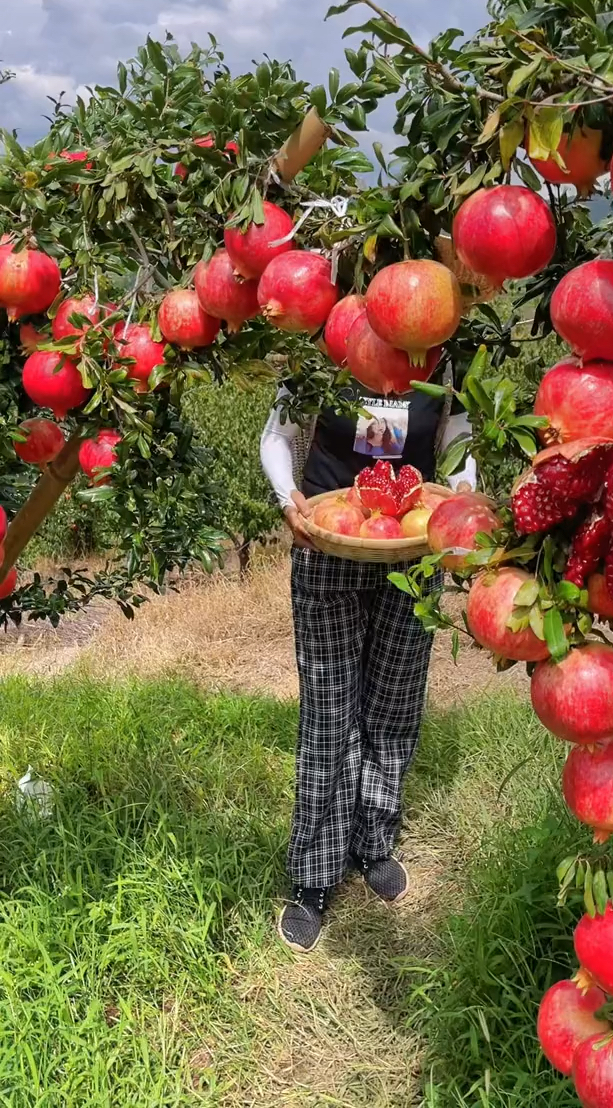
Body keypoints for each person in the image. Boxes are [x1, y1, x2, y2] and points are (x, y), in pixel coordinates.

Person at [260, 362, 476, 952]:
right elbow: (277, 433)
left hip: (412, 548)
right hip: (329, 543)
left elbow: (457, 434)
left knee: (395, 700)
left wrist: (460, 492)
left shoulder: (444, 354)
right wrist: (289, 500)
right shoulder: (326, 346)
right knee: (331, 712)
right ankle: (314, 875)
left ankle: (374, 838)